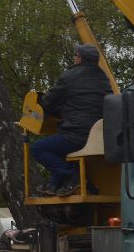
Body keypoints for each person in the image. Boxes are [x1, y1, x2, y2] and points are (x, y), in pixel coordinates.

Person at [30, 43, 113, 196]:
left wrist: (39, 103)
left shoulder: (70, 76)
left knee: (38, 148)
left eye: (76, 55)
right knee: (58, 149)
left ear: (80, 59)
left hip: (77, 136)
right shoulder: (104, 79)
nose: (74, 58)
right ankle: (53, 184)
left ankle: (72, 177)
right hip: (99, 137)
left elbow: (48, 103)